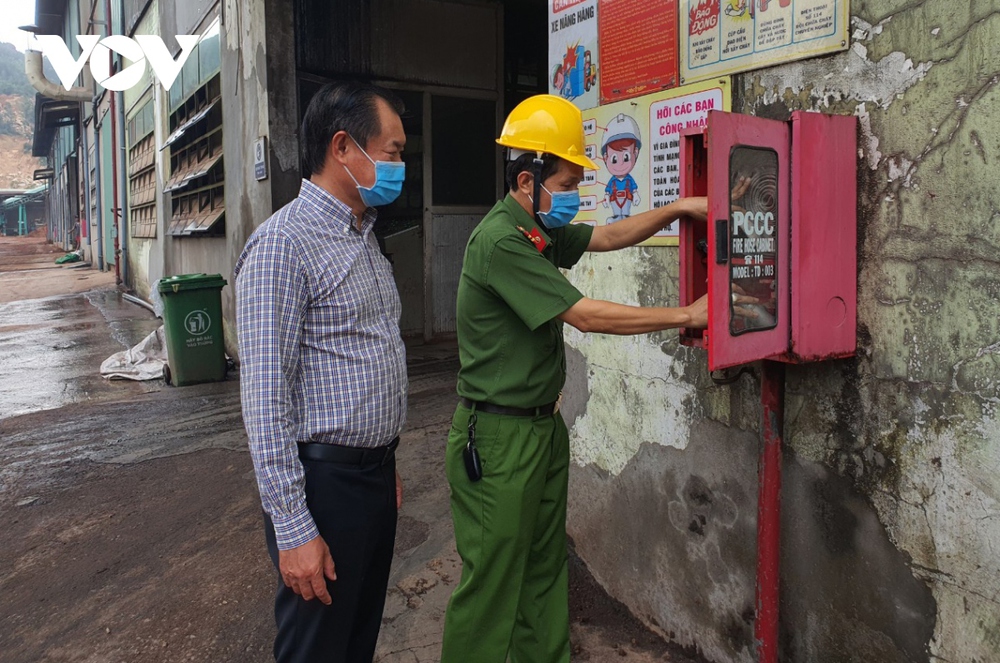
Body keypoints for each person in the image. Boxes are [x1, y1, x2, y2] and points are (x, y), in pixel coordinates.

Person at [440, 94, 713, 663]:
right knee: (493, 586)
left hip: (540, 429)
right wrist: (686, 315)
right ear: (526, 180)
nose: (570, 197)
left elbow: (607, 236)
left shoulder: (535, 229)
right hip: (498, 438)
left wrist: (678, 207)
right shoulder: (501, 242)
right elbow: (587, 315)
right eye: (564, 185)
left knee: (543, 570)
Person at [235, 81, 408, 663]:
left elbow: (371, 356)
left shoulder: (363, 235)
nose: (401, 166)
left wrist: (386, 461)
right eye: (392, 151)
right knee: (317, 649)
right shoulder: (283, 246)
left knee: (357, 641)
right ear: (343, 147)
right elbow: (265, 399)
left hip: (372, 479)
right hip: (322, 488)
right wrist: (293, 527)